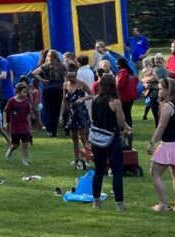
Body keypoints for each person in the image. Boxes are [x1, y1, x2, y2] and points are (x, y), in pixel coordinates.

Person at [90, 73, 130, 211]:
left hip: (97, 140)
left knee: (98, 171)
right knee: (117, 172)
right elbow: (120, 123)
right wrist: (125, 126)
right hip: (112, 140)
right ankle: (119, 205)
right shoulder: (115, 102)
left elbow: (94, 119)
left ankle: (96, 202)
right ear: (114, 85)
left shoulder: (95, 100)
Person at [146, 77, 175, 212]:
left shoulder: (168, 106)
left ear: (167, 89)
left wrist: (152, 143)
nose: (159, 91)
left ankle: (163, 205)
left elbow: (161, 128)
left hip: (168, 145)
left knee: (155, 172)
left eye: (160, 89)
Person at [59, 64, 92, 163]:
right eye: (69, 77)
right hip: (71, 113)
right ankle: (77, 158)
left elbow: (92, 95)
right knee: (74, 138)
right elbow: (64, 100)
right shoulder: (65, 85)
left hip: (81, 111)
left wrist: (83, 98)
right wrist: (61, 115)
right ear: (66, 76)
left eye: (73, 76)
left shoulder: (81, 84)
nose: (72, 78)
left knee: (83, 137)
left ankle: (88, 158)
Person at [31, 49, 66, 136]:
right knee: (57, 109)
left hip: (48, 89)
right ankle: (56, 130)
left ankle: (49, 130)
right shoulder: (62, 66)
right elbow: (66, 77)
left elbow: (34, 73)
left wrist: (42, 80)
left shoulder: (45, 65)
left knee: (49, 110)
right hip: (59, 89)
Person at [3, 82, 32, 166]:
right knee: (15, 145)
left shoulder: (26, 102)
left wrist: (29, 127)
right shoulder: (12, 101)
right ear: (18, 92)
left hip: (25, 127)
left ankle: (25, 160)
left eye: (26, 92)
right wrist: (4, 122)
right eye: (24, 91)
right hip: (15, 127)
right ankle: (10, 151)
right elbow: (5, 111)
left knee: (25, 144)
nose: (25, 93)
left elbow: (28, 115)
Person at [115, 57, 139, 137]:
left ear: (121, 64)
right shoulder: (131, 72)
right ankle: (129, 129)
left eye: (118, 64)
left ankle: (125, 129)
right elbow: (136, 80)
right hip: (131, 96)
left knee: (123, 113)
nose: (117, 66)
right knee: (128, 113)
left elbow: (120, 85)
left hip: (124, 96)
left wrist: (115, 83)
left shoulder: (123, 72)